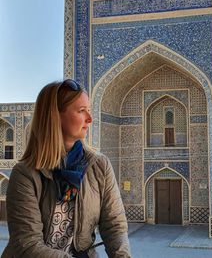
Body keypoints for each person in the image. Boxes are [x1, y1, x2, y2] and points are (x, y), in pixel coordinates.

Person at [2, 80, 132, 258]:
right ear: (55, 115)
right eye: (81, 111)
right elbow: (28, 244)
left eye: (89, 110)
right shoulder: (25, 174)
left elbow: (114, 226)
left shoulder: (99, 166)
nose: (90, 119)